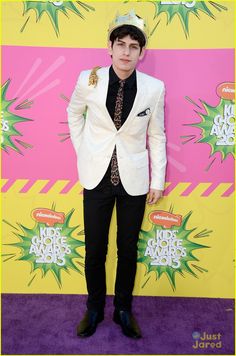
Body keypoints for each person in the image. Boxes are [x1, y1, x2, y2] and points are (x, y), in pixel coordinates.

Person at [67, 9, 167, 339]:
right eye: (120, 44)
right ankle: (94, 308)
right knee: (95, 249)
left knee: (127, 249)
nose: (126, 52)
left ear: (142, 52)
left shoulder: (154, 88)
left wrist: (157, 180)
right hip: (95, 178)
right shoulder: (88, 79)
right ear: (109, 47)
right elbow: (73, 113)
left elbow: (156, 135)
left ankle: (123, 309)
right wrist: (84, 151)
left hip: (134, 181)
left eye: (133, 46)